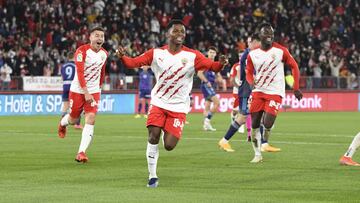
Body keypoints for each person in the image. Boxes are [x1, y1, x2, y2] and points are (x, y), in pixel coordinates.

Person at [116, 19, 228, 188]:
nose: (179, 34)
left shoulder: (192, 56)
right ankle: (152, 176)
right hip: (159, 103)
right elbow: (133, 63)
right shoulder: (156, 53)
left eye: (182, 32)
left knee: (169, 145)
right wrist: (123, 57)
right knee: (153, 136)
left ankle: (164, 133)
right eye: (176, 31)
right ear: (168, 34)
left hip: (179, 107)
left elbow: (212, 66)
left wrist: (221, 63)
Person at [246, 23, 303, 163]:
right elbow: (248, 71)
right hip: (258, 91)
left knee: (268, 121)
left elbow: (294, 66)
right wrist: (250, 81)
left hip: (275, 91)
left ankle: (265, 140)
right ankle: (257, 154)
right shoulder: (253, 54)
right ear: (260, 36)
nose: (269, 36)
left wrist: (296, 87)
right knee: (254, 124)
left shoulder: (280, 50)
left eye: (271, 33)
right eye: (266, 33)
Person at [57, 26, 108, 163]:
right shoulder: (81, 51)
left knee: (91, 118)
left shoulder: (104, 54)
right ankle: (62, 124)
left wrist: (99, 87)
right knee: (73, 119)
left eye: (102, 36)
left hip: (94, 91)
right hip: (78, 90)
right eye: (96, 35)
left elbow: (102, 71)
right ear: (90, 37)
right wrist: (86, 92)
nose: (99, 38)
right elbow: (79, 73)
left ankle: (81, 152)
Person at [218, 35, 260, 152]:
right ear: (254, 42)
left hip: (248, 89)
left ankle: (260, 144)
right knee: (244, 117)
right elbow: (247, 71)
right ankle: (225, 140)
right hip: (247, 90)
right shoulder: (249, 54)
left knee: (249, 116)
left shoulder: (251, 53)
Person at [197, 46, 224, 131]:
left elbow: (218, 77)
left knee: (207, 106)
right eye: (210, 52)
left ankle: (205, 125)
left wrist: (220, 80)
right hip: (206, 85)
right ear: (207, 53)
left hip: (210, 86)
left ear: (216, 54)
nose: (212, 54)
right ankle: (207, 121)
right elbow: (199, 73)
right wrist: (206, 81)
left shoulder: (214, 64)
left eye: (213, 53)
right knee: (217, 103)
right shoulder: (205, 62)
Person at [60, 51, 82, 129]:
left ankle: (62, 123)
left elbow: (62, 77)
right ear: (74, 57)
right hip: (73, 86)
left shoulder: (63, 66)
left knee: (65, 106)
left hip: (65, 85)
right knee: (77, 105)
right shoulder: (76, 65)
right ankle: (77, 124)